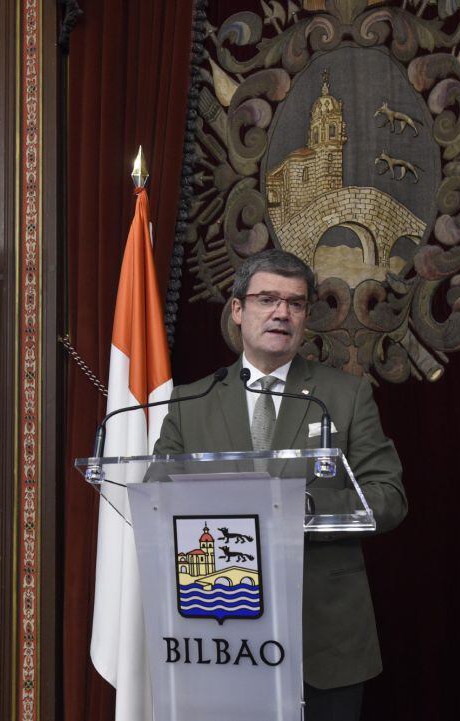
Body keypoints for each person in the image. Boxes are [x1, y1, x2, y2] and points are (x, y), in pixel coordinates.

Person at [153, 249, 406, 721]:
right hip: (217, 632)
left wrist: (301, 504)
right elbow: (155, 500)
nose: (281, 313)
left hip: (324, 640)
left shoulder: (345, 396)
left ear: (306, 316)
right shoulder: (190, 402)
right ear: (237, 310)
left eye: (295, 303)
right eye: (267, 299)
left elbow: (389, 498)